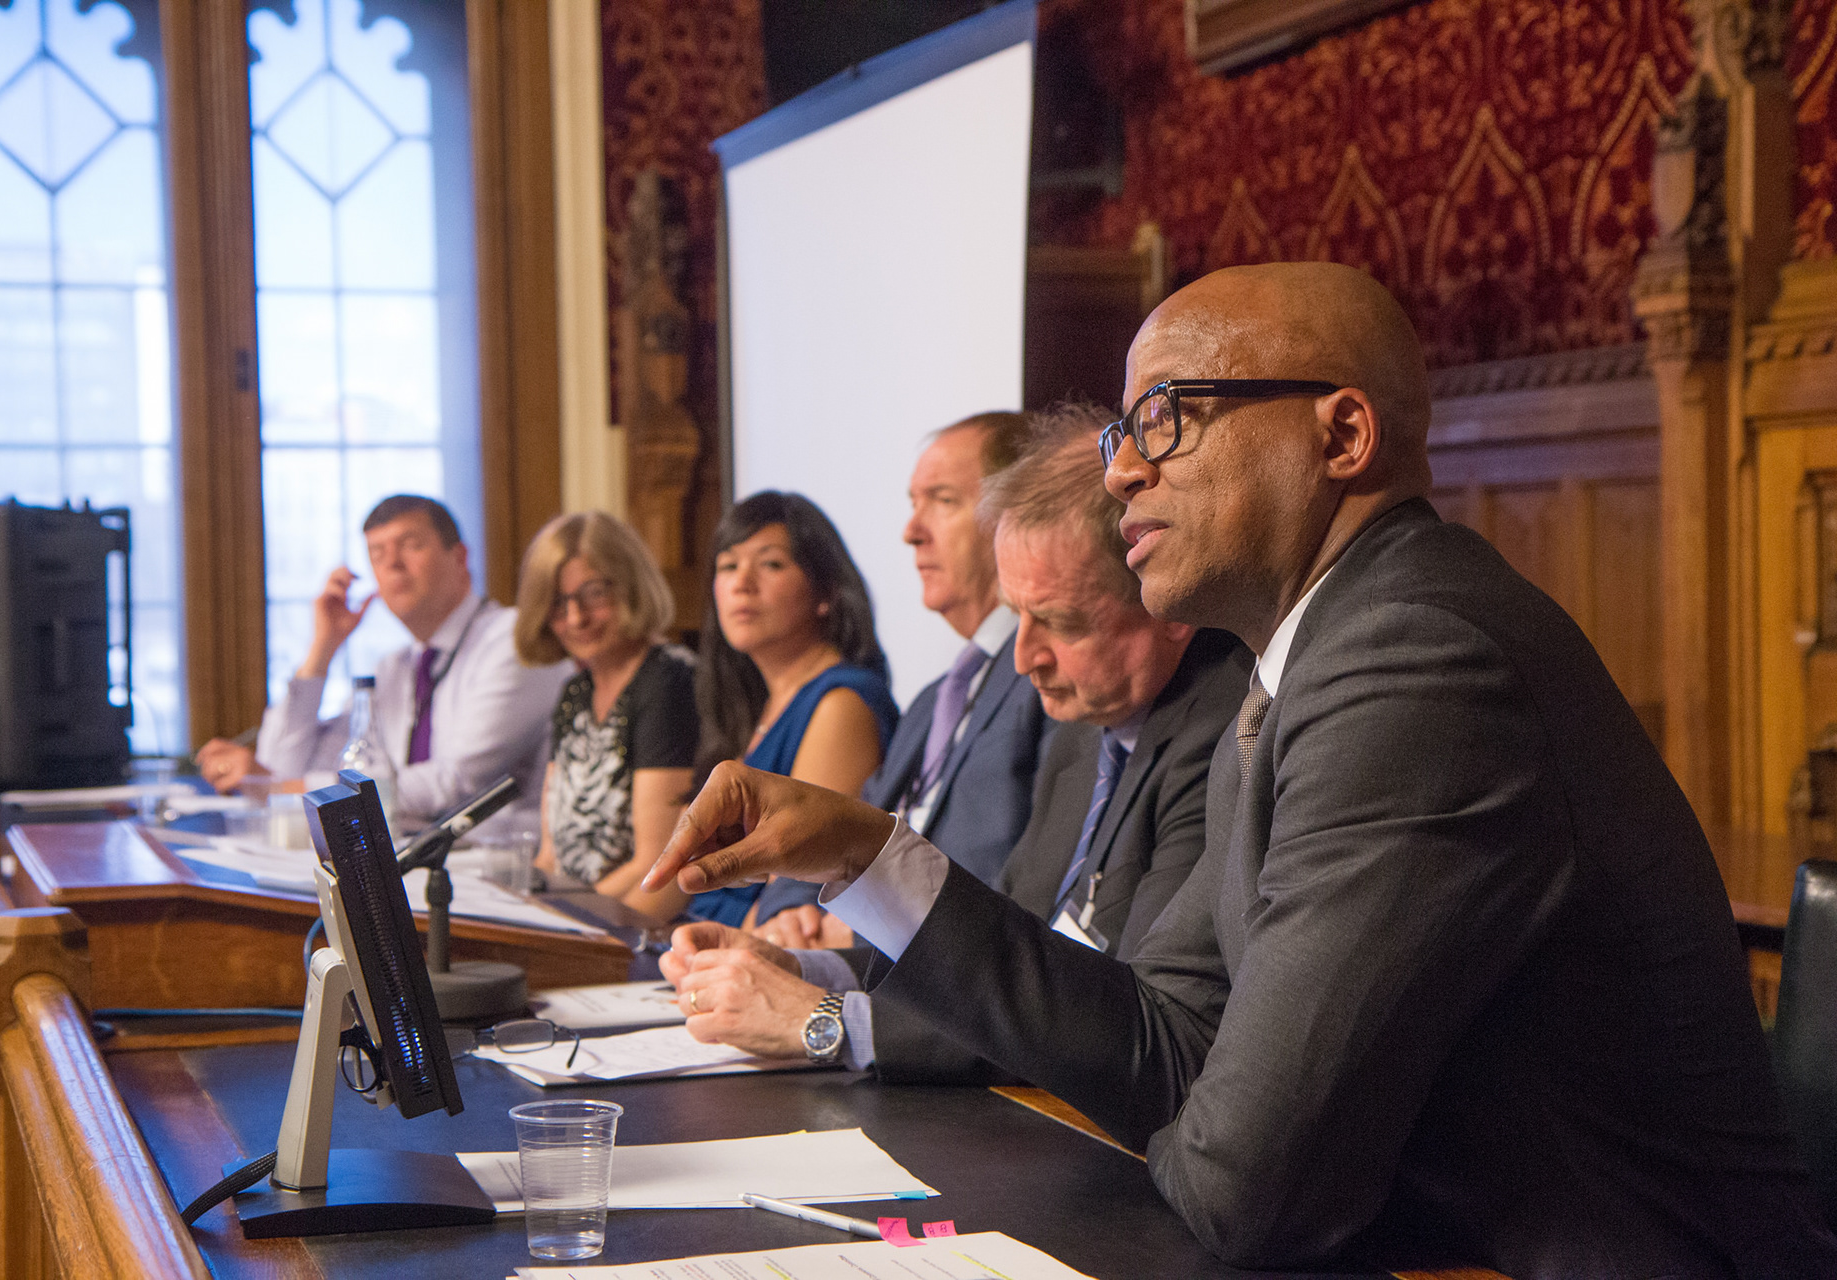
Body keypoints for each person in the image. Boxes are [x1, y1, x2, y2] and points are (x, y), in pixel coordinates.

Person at [646, 263, 1837, 1274]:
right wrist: (866, 853)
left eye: (1166, 416)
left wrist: (1208, 1113)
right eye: (1122, 430)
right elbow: (1173, 1048)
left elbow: (1249, 1186)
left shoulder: (1417, 659)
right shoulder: (1299, 662)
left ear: (1342, 433)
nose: (1120, 469)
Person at [662, 408, 1252, 1084]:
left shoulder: (1223, 736)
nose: (1025, 657)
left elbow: (1121, 1028)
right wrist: (800, 969)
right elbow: (1011, 953)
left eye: (1057, 622)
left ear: (1164, 603)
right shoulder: (1086, 732)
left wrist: (823, 1019)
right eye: (1018, 615)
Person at [751, 411, 1049, 950]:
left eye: (942, 500)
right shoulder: (934, 701)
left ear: (1017, 514)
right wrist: (792, 911)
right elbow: (836, 827)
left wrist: (865, 926)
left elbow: (1000, 880)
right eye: (913, 504)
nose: (911, 532)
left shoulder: (1046, 681)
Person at [204, 495, 567, 832]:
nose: (392, 563)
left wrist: (286, 789)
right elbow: (284, 769)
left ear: (459, 559)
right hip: (409, 859)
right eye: (377, 554)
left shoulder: (515, 642)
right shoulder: (394, 669)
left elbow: (455, 781)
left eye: (410, 545)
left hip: (501, 870)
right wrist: (324, 647)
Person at [687, 491, 899, 927]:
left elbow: (793, 894)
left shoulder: (842, 703)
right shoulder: (757, 705)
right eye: (728, 566)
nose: (741, 583)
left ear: (825, 593)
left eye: (771, 564)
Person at [514, 512, 697, 923]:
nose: (575, 619)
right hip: (572, 919)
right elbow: (551, 853)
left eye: (593, 594)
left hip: (634, 924)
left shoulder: (668, 680)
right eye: (558, 604)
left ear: (630, 584)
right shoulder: (575, 693)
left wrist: (557, 918)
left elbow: (655, 863)